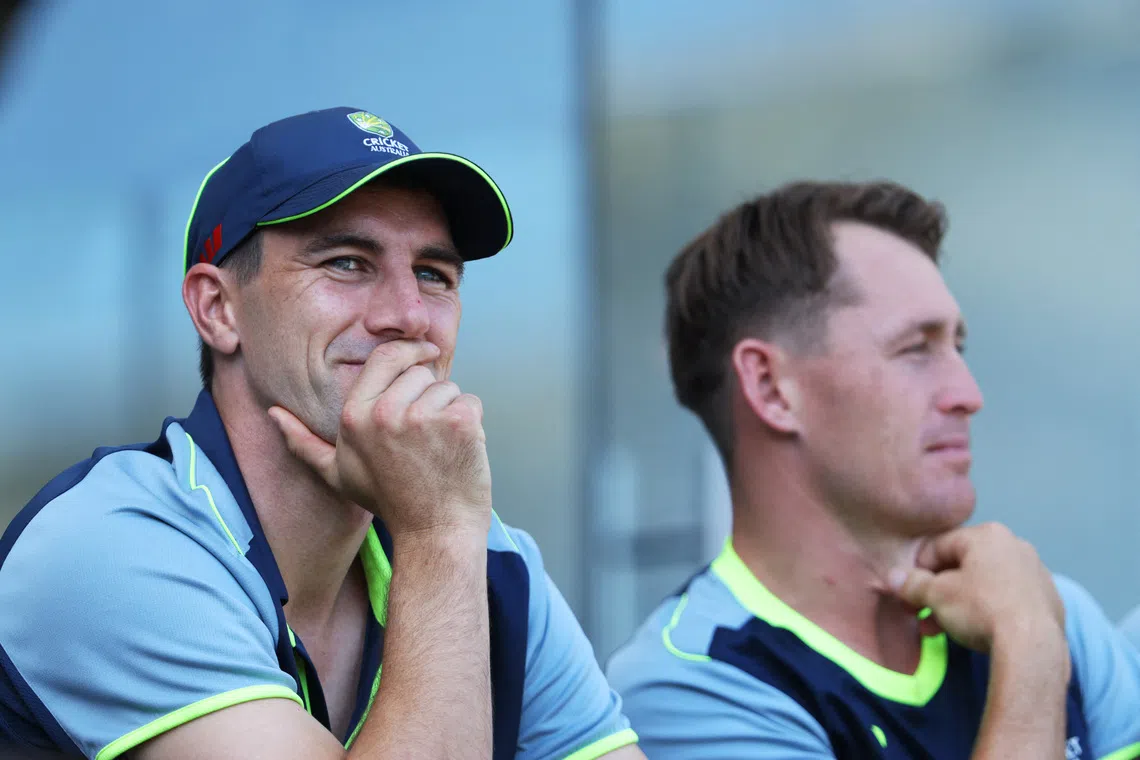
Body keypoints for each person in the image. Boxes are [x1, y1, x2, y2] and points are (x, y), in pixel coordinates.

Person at [0, 106, 644, 760]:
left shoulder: (494, 570)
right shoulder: (105, 546)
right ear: (219, 310)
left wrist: (442, 536)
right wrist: (437, 533)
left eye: (433, 274)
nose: (408, 316)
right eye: (345, 262)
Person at [605, 180, 1140, 759]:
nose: (968, 394)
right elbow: (1034, 642)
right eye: (916, 349)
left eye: (958, 347)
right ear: (771, 387)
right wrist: (1033, 657)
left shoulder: (1046, 607)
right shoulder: (692, 685)